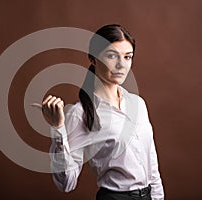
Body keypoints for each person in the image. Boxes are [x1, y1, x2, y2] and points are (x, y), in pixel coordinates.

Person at [33, 24, 164, 200]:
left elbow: (152, 166)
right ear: (93, 59)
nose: (121, 65)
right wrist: (58, 129)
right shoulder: (81, 113)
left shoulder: (138, 104)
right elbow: (66, 183)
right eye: (112, 56)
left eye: (128, 57)